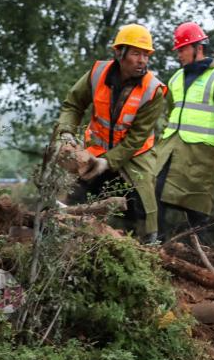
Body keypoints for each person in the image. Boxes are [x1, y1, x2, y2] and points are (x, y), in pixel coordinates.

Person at [56, 23, 166, 242]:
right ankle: (61, 238)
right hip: (96, 149)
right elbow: (73, 105)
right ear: (119, 53)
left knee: (143, 208)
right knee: (71, 199)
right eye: (136, 53)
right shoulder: (97, 73)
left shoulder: (153, 90)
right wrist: (66, 134)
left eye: (146, 55)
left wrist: (107, 163)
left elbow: (136, 138)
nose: (142, 60)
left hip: (135, 155)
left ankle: (149, 247)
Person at [153, 22, 214, 240]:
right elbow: (172, 112)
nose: (179, 55)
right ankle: (153, 249)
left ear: (197, 48)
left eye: (182, 49)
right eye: (178, 50)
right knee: (153, 194)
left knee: (197, 213)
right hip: (170, 152)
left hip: (200, 158)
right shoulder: (175, 79)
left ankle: (202, 263)